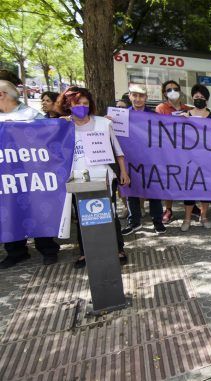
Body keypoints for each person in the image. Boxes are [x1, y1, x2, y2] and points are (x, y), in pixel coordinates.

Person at [56, 86, 129, 268]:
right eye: (76, 104)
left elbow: (117, 149)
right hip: (76, 180)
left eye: (85, 103)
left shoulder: (104, 123)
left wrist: (123, 172)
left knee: (109, 214)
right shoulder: (63, 126)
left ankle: (118, 248)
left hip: (103, 177)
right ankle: (85, 252)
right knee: (83, 217)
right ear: (67, 105)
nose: (82, 106)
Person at [0, 80, 59, 268]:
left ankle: (48, 249)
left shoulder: (32, 115)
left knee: (38, 209)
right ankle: (16, 251)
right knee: (8, 211)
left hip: (33, 175)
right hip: (7, 177)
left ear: (2, 95)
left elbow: (49, 140)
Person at [119, 85, 166, 235]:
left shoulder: (154, 116)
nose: (138, 99)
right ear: (130, 96)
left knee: (154, 192)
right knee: (131, 192)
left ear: (146, 97)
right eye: (135, 95)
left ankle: (157, 222)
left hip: (151, 160)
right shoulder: (122, 116)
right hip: (130, 160)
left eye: (141, 96)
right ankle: (134, 223)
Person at [180, 84, 211, 231]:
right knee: (189, 189)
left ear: (207, 100)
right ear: (192, 98)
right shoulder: (184, 115)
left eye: (202, 98)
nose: (199, 99)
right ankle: (187, 219)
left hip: (208, 160)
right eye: (196, 97)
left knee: (206, 189)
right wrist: (180, 121)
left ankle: (204, 217)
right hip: (189, 159)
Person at [155, 80, 192, 224]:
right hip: (168, 151)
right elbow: (158, 127)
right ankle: (168, 209)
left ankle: (190, 207)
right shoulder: (161, 108)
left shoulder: (188, 108)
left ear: (180, 90)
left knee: (188, 178)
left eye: (175, 89)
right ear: (164, 93)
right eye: (169, 89)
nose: (172, 91)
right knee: (169, 180)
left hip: (186, 151)